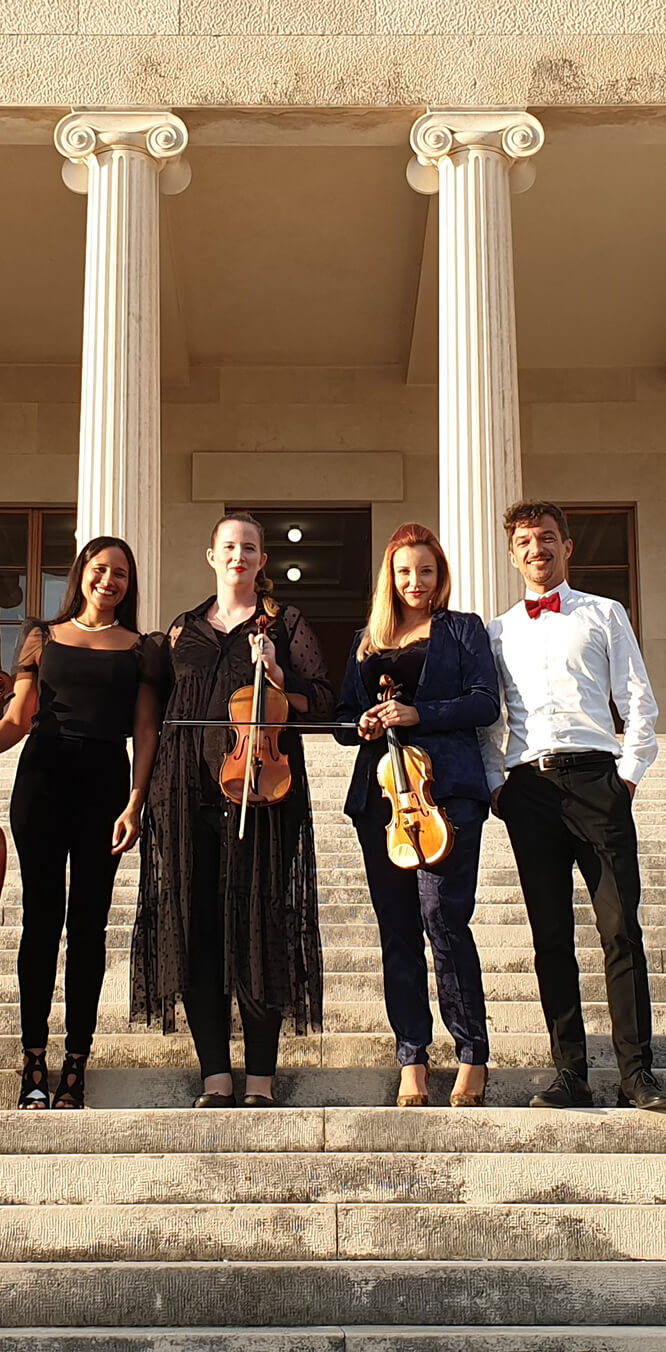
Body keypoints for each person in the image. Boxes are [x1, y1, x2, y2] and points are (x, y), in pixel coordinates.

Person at [131, 511, 335, 1108]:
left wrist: (275, 674)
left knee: (262, 923)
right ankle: (215, 1074)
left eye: (250, 547)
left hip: (263, 792)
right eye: (229, 546)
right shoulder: (183, 629)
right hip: (186, 794)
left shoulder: (284, 623)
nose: (239, 555)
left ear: (262, 561)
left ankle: (262, 1078)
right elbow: (159, 708)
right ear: (212, 557)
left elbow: (321, 699)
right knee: (196, 927)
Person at [479, 498, 666, 1111]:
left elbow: (639, 701)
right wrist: (497, 786)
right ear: (512, 554)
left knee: (620, 930)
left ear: (567, 547)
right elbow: (489, 718)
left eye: (548, 538)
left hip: (597, 781)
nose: (538, 549)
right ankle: (571, 1074)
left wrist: (628, 777)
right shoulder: (497, 630)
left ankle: (637, 1073)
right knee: (549, 935)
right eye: (526, 541)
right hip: (528, 789)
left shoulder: (605, 613)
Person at [335, 523, 500, 1107]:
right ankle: (411, 1057)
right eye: (404, 571)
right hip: (380, 800)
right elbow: (341, 717)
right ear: (390, 576)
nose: (415, 581)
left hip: (447, 793)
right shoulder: (366, 639)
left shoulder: (462, 630)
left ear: (440, 574)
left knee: (444, 919)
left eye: (425, 570)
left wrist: (415, 714)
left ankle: (472, 1053)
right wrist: (359, 724)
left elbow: (484, 702)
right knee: (397, 932)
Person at [0, 537, 163, 1109]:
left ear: (129, 584)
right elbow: (19, 717)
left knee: (88, 925)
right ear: (81, 574)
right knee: (41, 920)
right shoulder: (40, 634)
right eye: (100, 570)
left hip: (104, 785)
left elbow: (146, 731)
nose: (109, 581)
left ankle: (76, 1062)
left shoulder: (142, 649)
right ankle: (34, 1060)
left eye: (120, 573)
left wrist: (136, 802)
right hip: (41, 779)